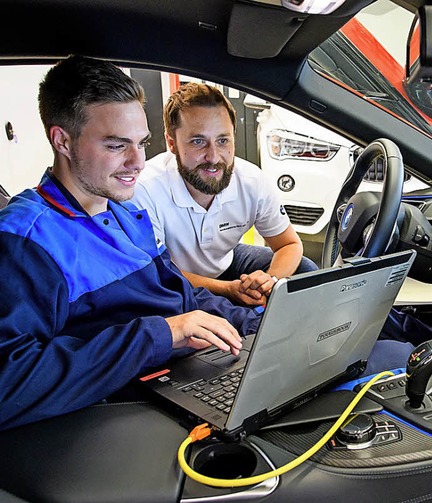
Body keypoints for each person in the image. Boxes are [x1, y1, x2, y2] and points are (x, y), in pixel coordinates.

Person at [0, 55, 262, 431]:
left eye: (141, 143)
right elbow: (10, 382)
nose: (137, 162)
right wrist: (164, 333)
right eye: (116, 145)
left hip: (187, 375)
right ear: (62, 141)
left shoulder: (127, 211)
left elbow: (181, 296)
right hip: (120, 413)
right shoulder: (27, 242)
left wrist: (259, 326)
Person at [131, 83, 317, 307]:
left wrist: (270, 281)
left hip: (225, 264)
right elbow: (157, 273)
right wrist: (228, 290)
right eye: (198, 141)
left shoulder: (251, 181)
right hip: (171, 280)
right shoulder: (144, 190)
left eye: (222, 140)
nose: (214, 156)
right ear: (172, 143)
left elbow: (289, 245)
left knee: (304, 270)